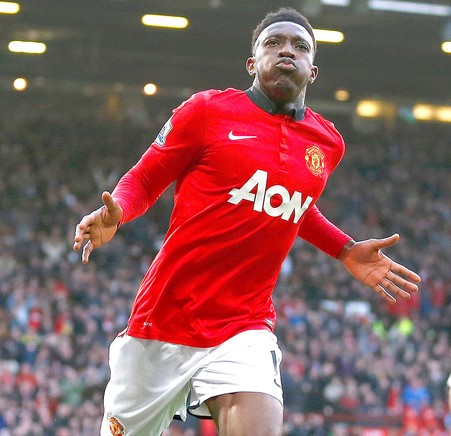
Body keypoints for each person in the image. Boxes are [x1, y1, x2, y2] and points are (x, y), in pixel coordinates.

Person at [72, 8, 421, 436]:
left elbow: (293, 202)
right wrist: (119, 211)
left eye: (300, 46)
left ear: (314, 71)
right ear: (253, 64)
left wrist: (344, 249)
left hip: (244, 326)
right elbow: (146, 177)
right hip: (163, 319)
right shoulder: (206, 111)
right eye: (273, 43)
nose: (287, 51)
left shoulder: (327, 143)